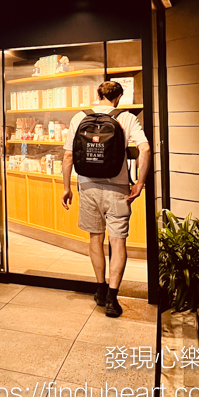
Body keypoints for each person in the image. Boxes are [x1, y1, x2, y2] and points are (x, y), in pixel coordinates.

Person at [61, 81, 151, 318]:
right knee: (118, 241)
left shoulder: (80, 117)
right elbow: (146, 149)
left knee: (95, 238)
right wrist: (139, 183)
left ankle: (100, 289)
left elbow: (69, 155)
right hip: (118, 189)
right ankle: (112, 298)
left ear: (98, 95)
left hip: (87, 186)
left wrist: (66, 187)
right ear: (118, 97)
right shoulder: (127, 118)